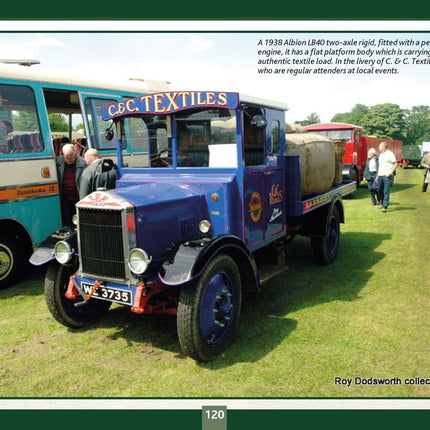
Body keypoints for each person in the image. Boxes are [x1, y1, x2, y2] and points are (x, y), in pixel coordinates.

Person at [56, 142, 87, 226]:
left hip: (77, 195)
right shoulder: (57, 162)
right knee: (66, 217)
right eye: (66, 158)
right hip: (65, 196)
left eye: (71, 158)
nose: (68, 160)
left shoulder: (83, 163)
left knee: (78, 218)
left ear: (75, 154)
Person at [376, 141, 398, 213]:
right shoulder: (381, 155)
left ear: (383, 147)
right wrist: (377, 176)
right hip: (380, 175)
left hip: (387, 176)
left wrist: (390, 173)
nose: (378, 148)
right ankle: (382, 203)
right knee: (379, 190)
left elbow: (395, 164)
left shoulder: (390, 154)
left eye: (379, 146)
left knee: (386, 191)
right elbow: (380, 166)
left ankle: (385, 206)